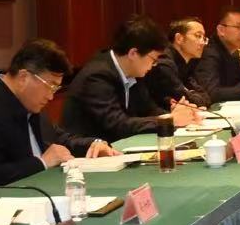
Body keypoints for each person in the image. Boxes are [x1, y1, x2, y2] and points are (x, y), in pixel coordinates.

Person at [0, 40, 120, 187]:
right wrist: (41, 163)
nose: (51, 96)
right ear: (24, 77)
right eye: (50, 86)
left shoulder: (28, 102)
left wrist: (92, 145)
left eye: (56, 88)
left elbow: (58, 139)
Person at [63, 15, 202, 140]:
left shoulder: (134, 71)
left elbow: (148, 109)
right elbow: (117, 124)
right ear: (133, 54)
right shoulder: (97, 76)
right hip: (88, 154)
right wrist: (169, 120)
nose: (154, 65)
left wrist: (177, 113)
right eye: (153, 59)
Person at [144, 17, 213, 109]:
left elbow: (206, 99)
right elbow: (187, 99)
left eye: (204, 38)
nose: (203, 43)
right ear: (179, 38)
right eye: (198, 36)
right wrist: (191, 94)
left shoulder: (187, 63)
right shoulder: (164, 63)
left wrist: (191, 94)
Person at [199, 6, 240, 103]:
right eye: (239, 27)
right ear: (221, 30)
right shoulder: (209, 53)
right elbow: (212, 93)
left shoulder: (234, 50)